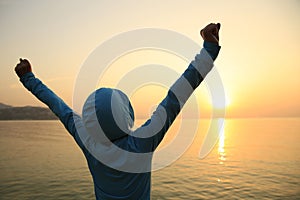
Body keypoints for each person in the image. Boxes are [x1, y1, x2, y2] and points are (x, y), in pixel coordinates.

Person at [15, 23, 221, 200]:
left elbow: (58, 106)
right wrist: (208, 51)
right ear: (126, 112)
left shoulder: (89, 142)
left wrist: (28, 78)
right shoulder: (143, 142)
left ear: (89, 120)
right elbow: (176, 97)